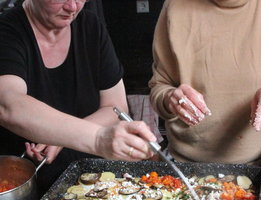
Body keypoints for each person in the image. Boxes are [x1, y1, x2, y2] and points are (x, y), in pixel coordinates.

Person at [0, 0, 157, 197]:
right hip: (23, 186)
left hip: (91, 183)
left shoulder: (90, 26)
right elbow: (9, 105)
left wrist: (59, 137)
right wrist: (98, 138)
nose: (72, 7)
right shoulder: (7, 32)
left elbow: (115, 107)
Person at [149, 0, 261, 165]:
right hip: (182, 164)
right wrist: (171, 98)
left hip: (259, 163)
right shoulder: (174, 5)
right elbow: (159, 85)